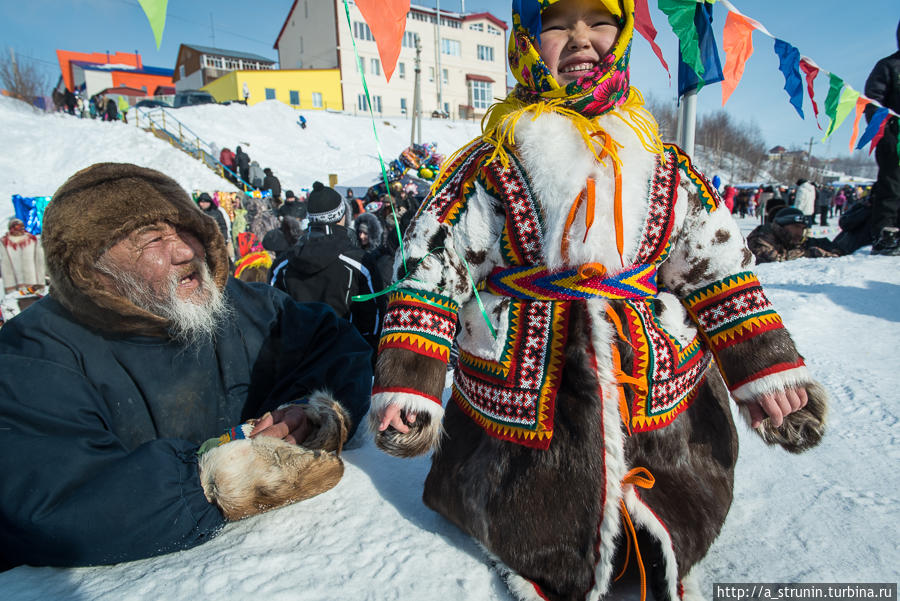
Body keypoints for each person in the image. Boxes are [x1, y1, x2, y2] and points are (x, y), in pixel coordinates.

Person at [366, 1, 828, 599]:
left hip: (655, 398)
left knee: (674, 502)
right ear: (528, 43)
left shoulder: (664, 162)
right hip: (523, 406)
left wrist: (764, 368)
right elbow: (431, 270)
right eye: (557, 23)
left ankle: (668, 512)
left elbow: (718, 269)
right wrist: (411, 380)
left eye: (600, 21)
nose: (581, 38)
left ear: (626, 36)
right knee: (525, 511)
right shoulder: (490, 164)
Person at [0, 163, 373, 570]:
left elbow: (337, 347)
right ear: (91, 266)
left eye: (186, 230)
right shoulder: (32, 354)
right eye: (153, 239)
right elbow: (55, 500)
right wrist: (213, 481)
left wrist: (308, 409)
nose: (183, 251)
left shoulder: (241, 305)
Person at [270, 182, 384, 352]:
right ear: (342, 216)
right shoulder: (360, 263)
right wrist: (366, 358)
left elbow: (272, 317)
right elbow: (374, 318)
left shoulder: (282, 264)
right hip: (346, 364)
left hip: (295, 366)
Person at [865, 21, 900, 255]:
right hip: (893, 139)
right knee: (892, 186)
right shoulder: (889, 66)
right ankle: (886, 236)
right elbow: (871, 102)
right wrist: (885, 134)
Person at [747, 207, 842, 263]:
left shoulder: (788, 238)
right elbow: (774, 260)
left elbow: (811, 243)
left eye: (802, 228)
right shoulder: (760, 238)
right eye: (796, 227)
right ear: (782, 226)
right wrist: (808, 253)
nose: (799, 232)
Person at [0, 217, 45, 293]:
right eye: (16, 227)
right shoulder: (4, 242)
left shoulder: (32, 240)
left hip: (32, 283)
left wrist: (41, 282)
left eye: (21, 227)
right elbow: (3, 262)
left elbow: (40, 261)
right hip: (12, 286)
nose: (20, 229)